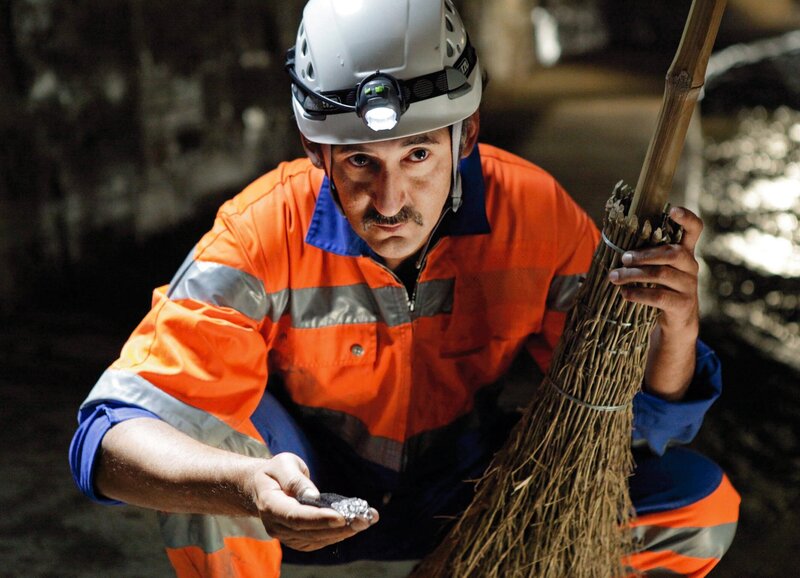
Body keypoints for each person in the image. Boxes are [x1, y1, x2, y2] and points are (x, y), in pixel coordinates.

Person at [69, 0, 740, 576]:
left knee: (698, 510)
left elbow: (640, 420)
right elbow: (108, 437)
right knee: (207, 446)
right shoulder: (260, 233)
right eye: (360, 160)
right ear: (315, 149)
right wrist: (243, 487)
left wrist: (676, 328)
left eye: (418, 154)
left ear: (466, 134)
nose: (390, 202)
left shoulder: (534, 215)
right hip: (306, 493)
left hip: (467, 493)